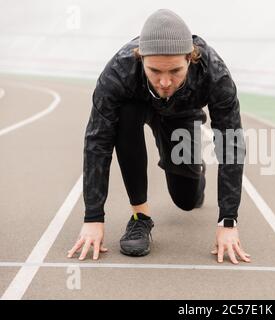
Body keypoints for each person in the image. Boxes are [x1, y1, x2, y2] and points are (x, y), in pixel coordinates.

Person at [67, 9, 251, 264]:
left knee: (186, 200)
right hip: (138, 106)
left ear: (191, 59)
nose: (165, 82)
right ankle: (139, 218)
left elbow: (230, 143)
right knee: (125, 113)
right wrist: (93, 217)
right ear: (140, 59)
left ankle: (195, 171)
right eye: (154, 71)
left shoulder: (214, 73)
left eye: (175, 70)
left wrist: (228, 220)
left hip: (182, 116)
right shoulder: (119, 71)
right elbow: (97, 142)